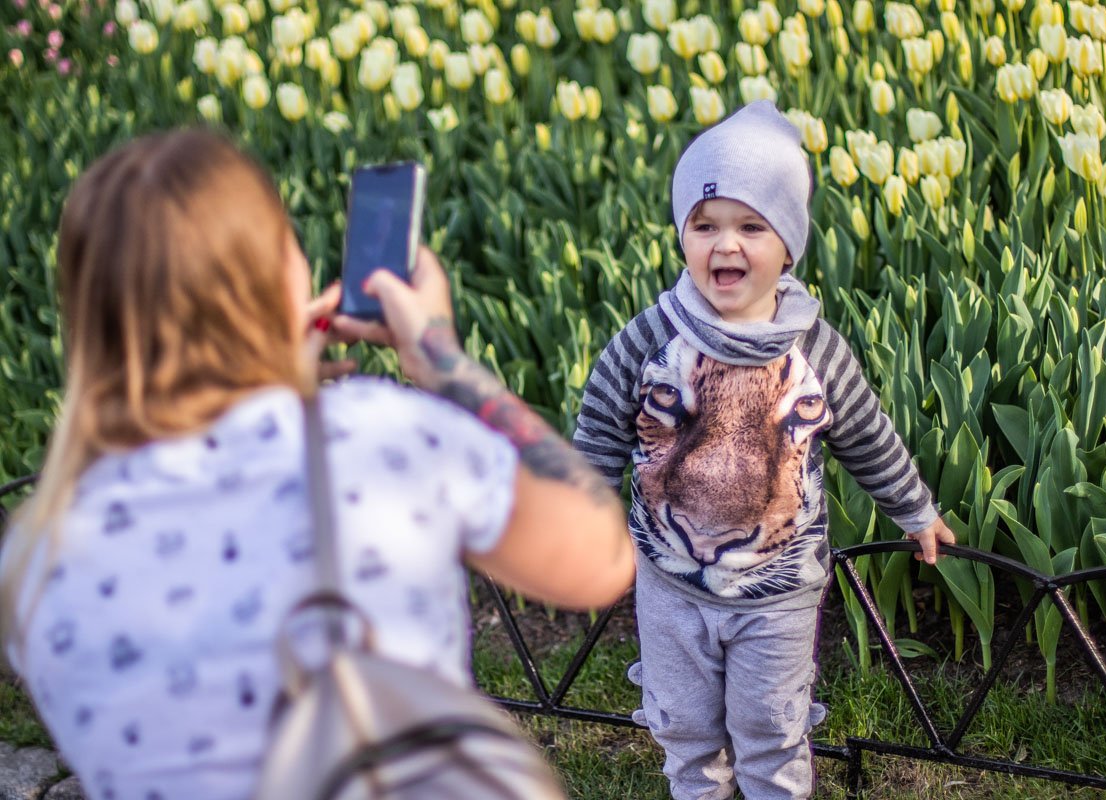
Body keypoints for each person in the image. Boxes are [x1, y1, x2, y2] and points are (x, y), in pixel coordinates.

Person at [0, 129, 634, 800]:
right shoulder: (377, 437)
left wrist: (279, 388)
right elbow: (600, 556)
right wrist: (442, 360)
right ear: (283, 273)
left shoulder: (35, 559)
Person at [572, 100, 956, 799]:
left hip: (779, 593)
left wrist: (914, 508)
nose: (727, 245)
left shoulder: (816, 349)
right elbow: (599, 426)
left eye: (752, 226)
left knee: (770, 730)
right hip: (669, 583)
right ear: (682, 238)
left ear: (788, 246)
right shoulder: (650, 336)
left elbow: (866, 434)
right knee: (683, 726)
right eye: (705, 225)